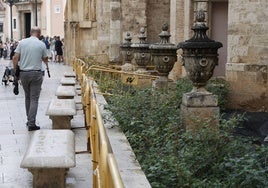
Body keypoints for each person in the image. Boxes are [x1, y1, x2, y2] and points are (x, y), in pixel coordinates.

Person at [13, 27, 49, 131]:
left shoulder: (22, 43)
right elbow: (45, 58)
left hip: (24, 73)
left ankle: (29, 120)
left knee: (27, 97)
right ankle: (31, 123)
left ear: (30, 33)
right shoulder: (41, 44)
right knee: (34, 98)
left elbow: (15, 57)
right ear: (39, 34)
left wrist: (16, 71)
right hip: (36, 73)